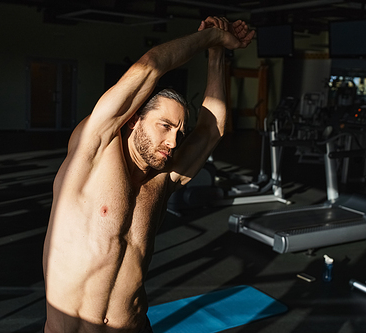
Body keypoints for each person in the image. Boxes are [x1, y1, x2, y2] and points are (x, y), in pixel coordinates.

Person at [42, 16, 255, 333]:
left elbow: (213, 129)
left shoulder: (163, 179)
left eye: (179, 132)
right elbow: (151, 65)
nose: (173, 141)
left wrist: (217, 54)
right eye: (165, 126)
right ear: (133, 120)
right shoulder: (93, 149)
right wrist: (210, 37)